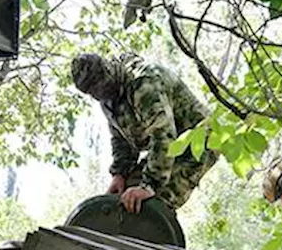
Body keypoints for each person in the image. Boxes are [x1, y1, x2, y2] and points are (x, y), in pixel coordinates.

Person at [70, 52, 218, 213]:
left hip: (200, 141)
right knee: (125, 196)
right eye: (92, 91)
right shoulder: (107, 99)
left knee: (151, 204)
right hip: (170, 146)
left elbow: (163, 135)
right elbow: (121, 139)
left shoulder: (143, 84)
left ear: (108, 70)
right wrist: (119, 174)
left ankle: (155, 234)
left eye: (99, 84)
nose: (98, 92)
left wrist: (149, 185)